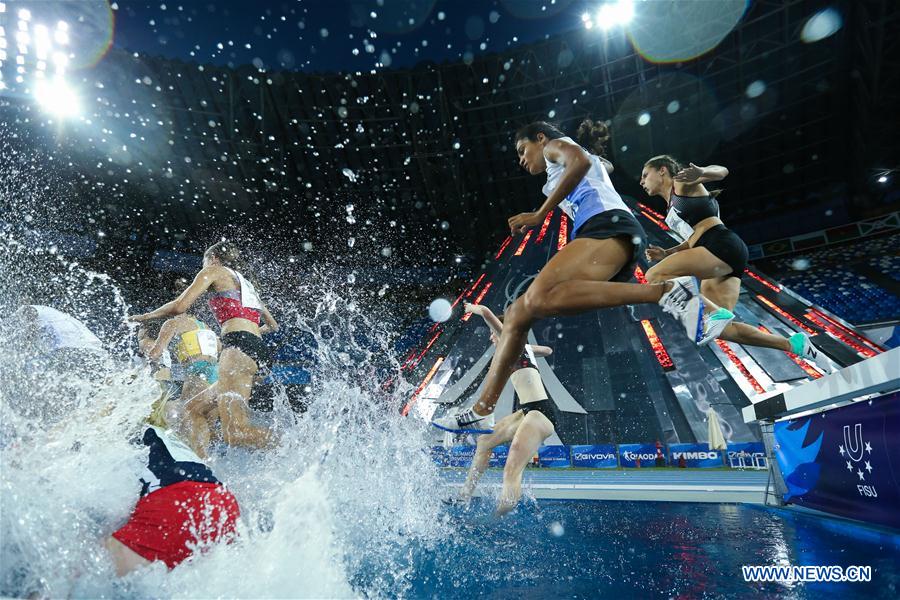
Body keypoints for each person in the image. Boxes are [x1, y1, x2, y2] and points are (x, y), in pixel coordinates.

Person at [433, 120, 734, 433]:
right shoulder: (556, 168)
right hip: (608, 235)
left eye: (523, 150)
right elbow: (595, 163)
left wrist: (540, 214)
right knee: (519, 313)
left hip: (606, 226)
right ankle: (483, 409)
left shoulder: (553, 146)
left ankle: (666, 291)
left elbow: (581, 161)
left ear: (540, 138)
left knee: (524, 307)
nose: (522, 160)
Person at [639, 155, 825, 367]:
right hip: (720, 252)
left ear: (662, 170)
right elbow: (692, 239)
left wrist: (702, 172)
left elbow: (722, 170)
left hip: (720, 245)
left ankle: (715, 313)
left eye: (645, 175)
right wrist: (667, 253)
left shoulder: (681, 184)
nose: (642, 182)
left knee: (654, 275)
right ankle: (795, 345)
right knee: (722, 329)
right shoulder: (671, 206)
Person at [130, 240, 278, 450]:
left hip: (238, 349)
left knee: (235, 432)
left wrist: (145, 316)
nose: (203, 268)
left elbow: (180, 306)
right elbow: (273, 326)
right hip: (256, 351)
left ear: (214, 259)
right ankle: (200, 464)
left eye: (204, 262)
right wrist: (248, 335)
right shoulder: (246, 285)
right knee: (193, 409)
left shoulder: (214, 270)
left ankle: (292, 445)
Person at [443, 303, 557, 516]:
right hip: (527, 411)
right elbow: (548, 350)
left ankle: (498, 517)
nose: (491, 338)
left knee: (511, 471)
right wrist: (530, 350)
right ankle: (464, 496)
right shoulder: (520, 348)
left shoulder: (511, 342)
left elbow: (485, 312)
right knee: (485, 441)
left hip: (540, 413)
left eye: (493, 333)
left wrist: (469, 308)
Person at [105, 421, 240, 575]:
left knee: (90, 559)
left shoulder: (112, 437)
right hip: (222, 504)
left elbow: (110, 510)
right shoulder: (164, 435)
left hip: (176, 505)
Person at [139, 314, 222, 457]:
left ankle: (201, 463)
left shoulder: (171, 323)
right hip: (215, 372)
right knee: (209, 426)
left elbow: (155, 353)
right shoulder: (204, 327)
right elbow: (219, 348)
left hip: (197, 371)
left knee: (190, 417)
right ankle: (213, 462)